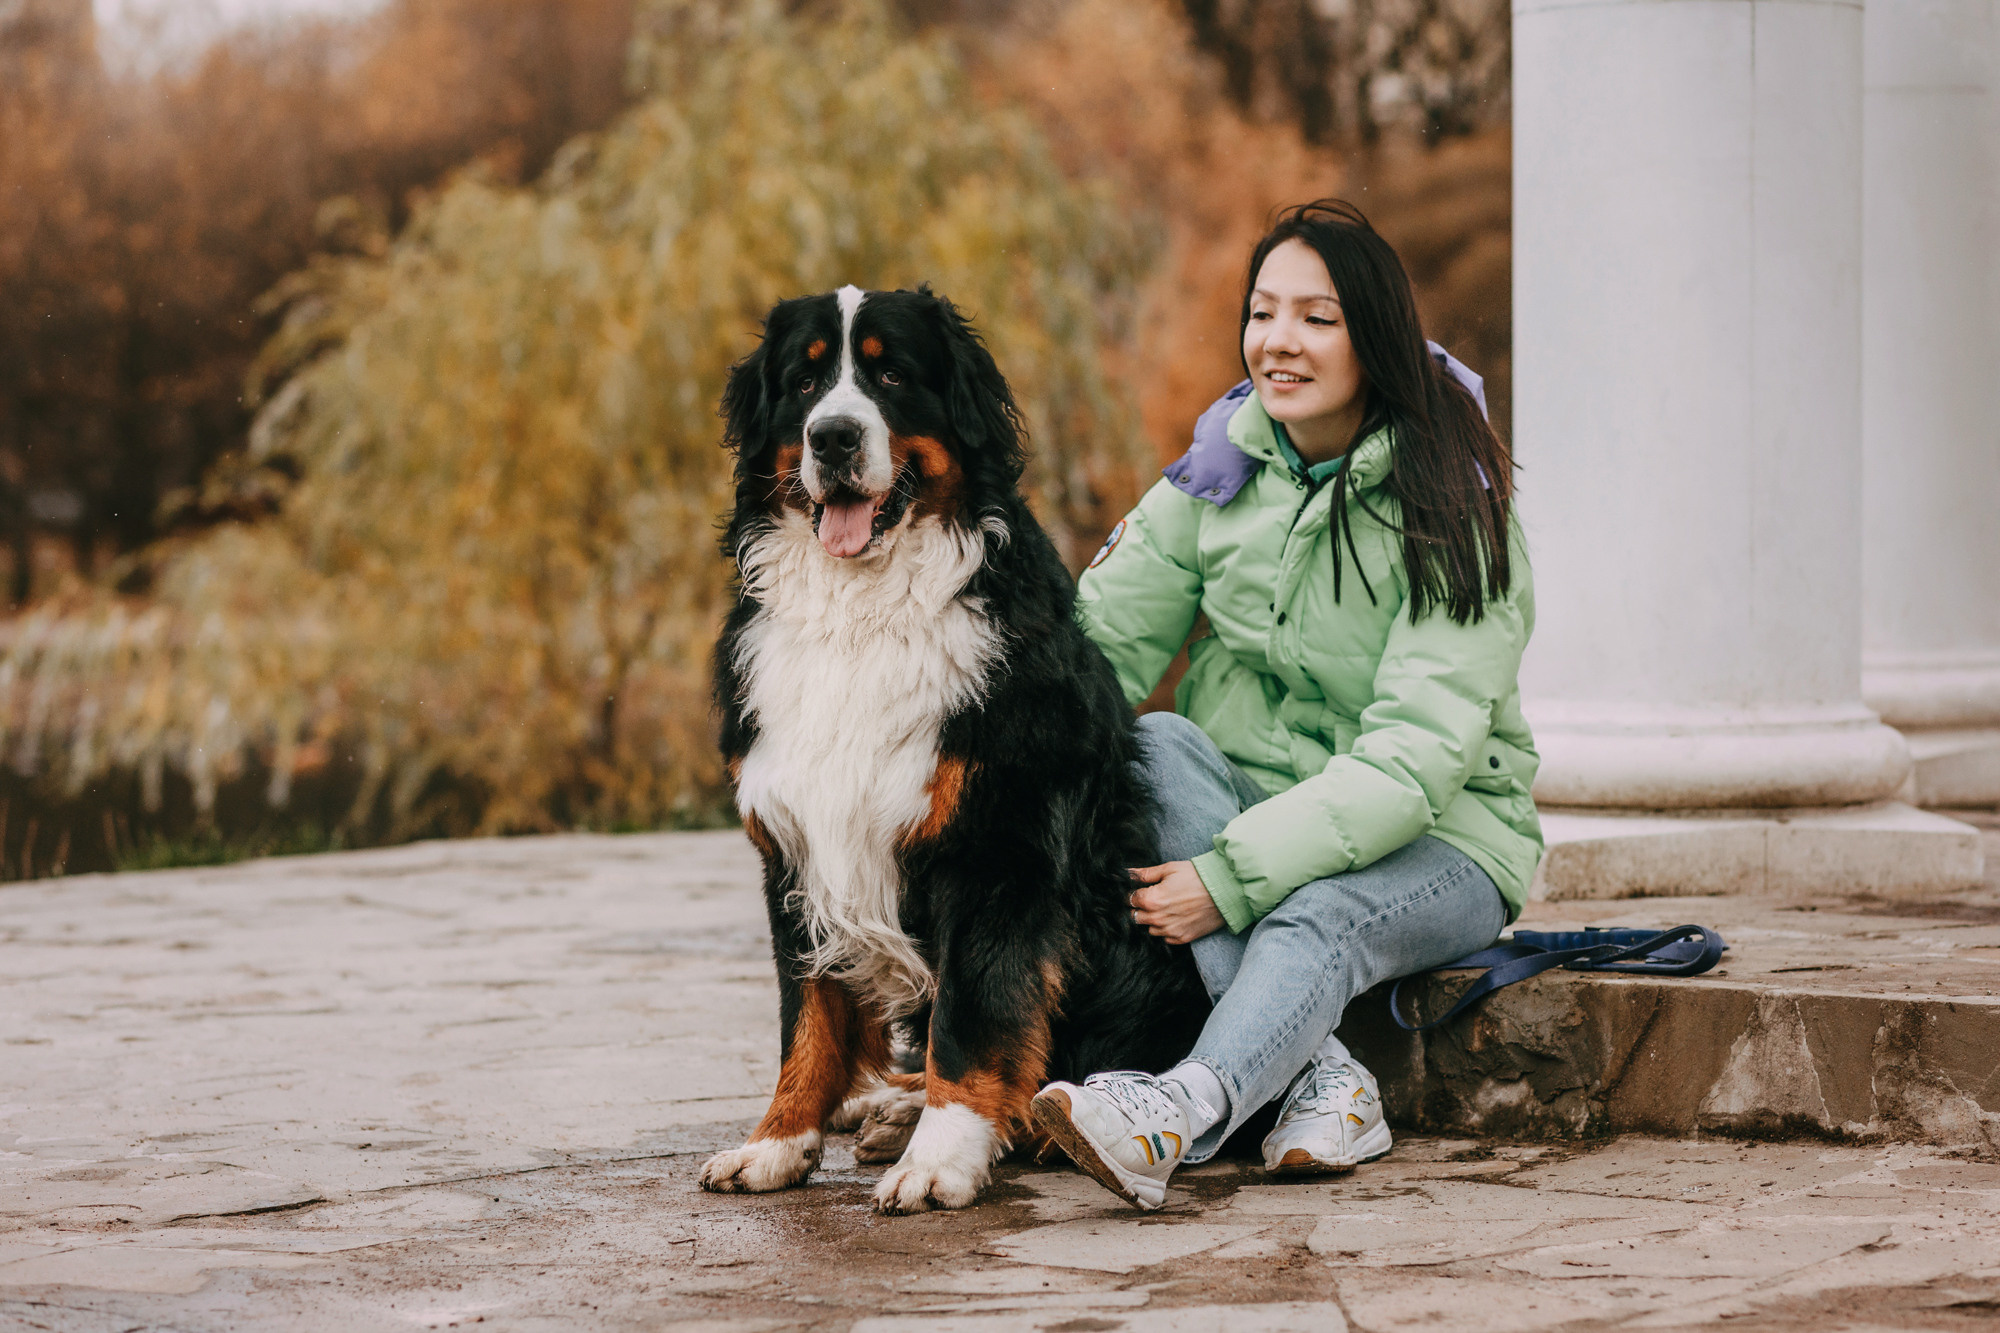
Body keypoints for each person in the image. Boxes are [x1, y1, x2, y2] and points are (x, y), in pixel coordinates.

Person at [1029, 201, 1543, 1210]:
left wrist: (1228, 878)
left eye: (1316, 317)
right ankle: (1322, 1080)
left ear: (1374, 338)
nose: (1278, 342)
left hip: (1445, 837)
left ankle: (1173, 1114)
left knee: (1313, 909)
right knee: (1159, 741)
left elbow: (1407, 765)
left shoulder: (1457, 505)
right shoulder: (1221, 468)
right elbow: (1090, 657)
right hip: (1267, 800)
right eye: (1263, 313)